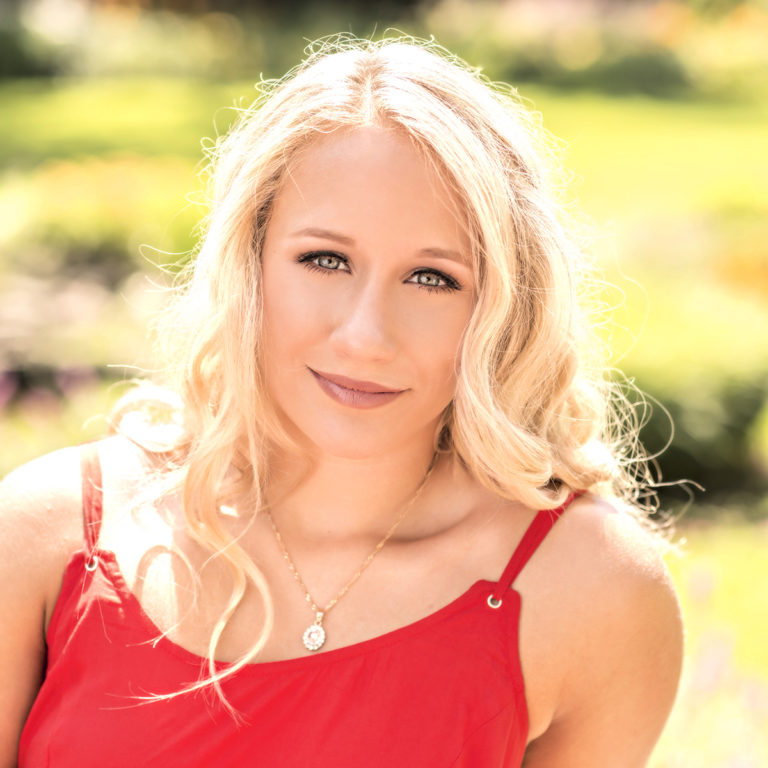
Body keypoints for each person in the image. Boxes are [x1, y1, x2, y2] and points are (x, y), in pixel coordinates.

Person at [0, 36, 683, 767]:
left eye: (432, 278)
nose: (365, 337)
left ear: (505, 306)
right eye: (325, 260)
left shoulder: (589, 591)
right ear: (250, 262)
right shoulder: (50, 533)